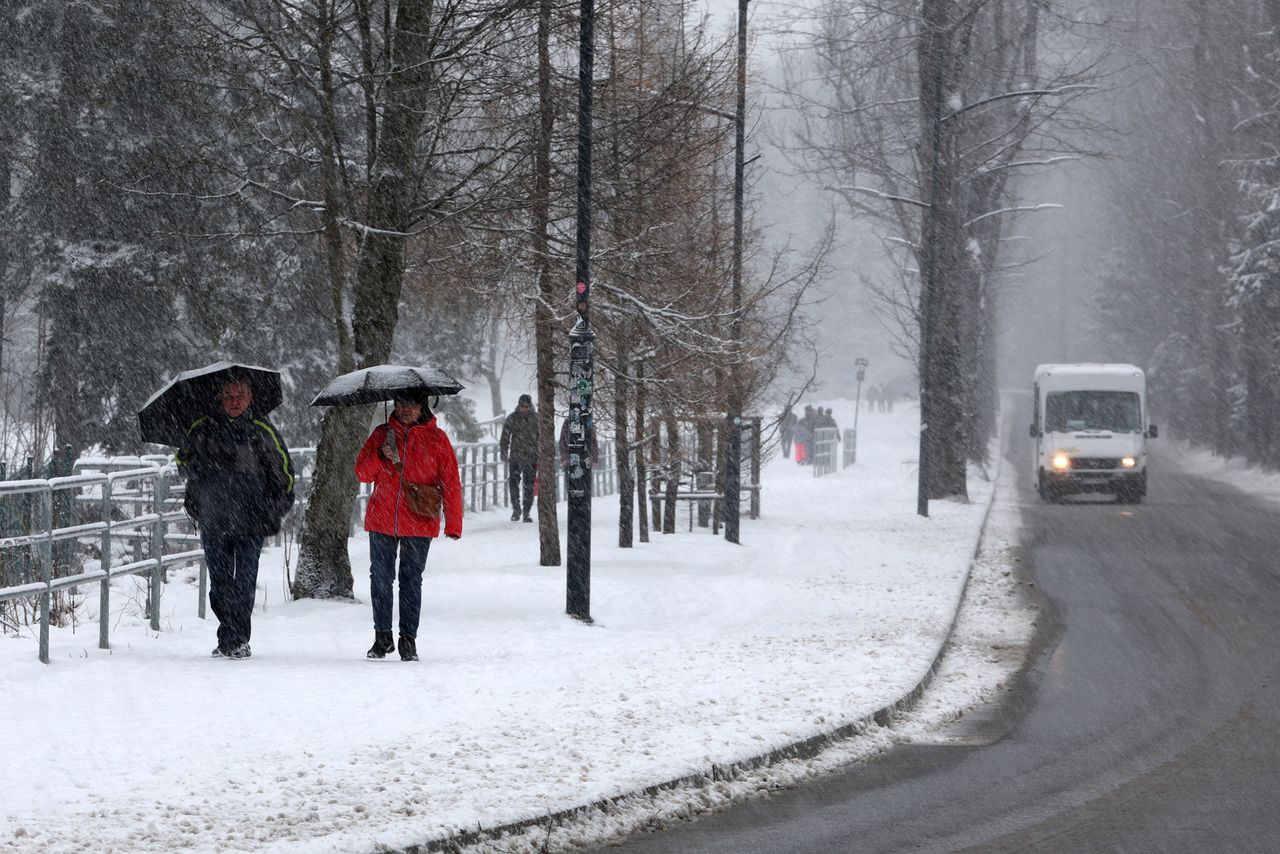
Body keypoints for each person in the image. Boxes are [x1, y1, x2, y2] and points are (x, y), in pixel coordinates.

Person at [178, 376, 295, 660]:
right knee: (219, 583)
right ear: (220, 397)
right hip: (213, 518)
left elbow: (285, 475)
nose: (234, 400)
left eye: (240, 394)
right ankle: (228, 633)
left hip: (250, 520)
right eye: (229, 394)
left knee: (243, 581)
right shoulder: (203, 428)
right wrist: (203, 464)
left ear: (251, 397)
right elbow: (183, 463)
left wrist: (273, 510)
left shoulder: (263, 431)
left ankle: (237, 639)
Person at [355, 394, 463, 661]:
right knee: (380, 578)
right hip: (382, 519)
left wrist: (454, 522)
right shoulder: (382, 434)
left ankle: (408, 640)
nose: (404, 410)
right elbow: (362, 473)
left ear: (422, 407)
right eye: (400, 404)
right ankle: (382, 637)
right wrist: (381, 455)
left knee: (411, 581)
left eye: (411, 405)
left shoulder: (437, 439)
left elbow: (451, 481)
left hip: (419, 520)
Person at [499, 394, 539, 522]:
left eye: (526, 406)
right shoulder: (512, 418)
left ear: (530, 406)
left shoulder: (536, 418)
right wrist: (503, 452)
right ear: (519, 405)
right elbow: (505, 436)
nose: (524, 409)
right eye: (522, 406)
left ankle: (526, 511)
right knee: (513, 483)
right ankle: (516, 509)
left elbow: (542, 437)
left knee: (529, 485)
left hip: (531, 457)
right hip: (516, 457)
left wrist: (542, 454)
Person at [558, 416, 599, 495]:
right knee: (572, 489)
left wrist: (594, 459)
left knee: (584, 489)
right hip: (571, 461)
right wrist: (565, 458)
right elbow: (562, 441)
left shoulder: (587, 420)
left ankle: (582, 503)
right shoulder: (568, 422)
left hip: (585, 459)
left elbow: (593, 441)